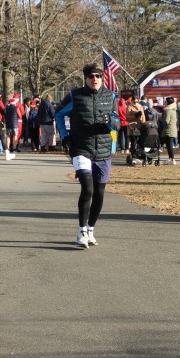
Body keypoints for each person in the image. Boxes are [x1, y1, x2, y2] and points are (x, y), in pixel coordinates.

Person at [56, 63, 119, 248]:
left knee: (99, 193)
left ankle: (91, 229)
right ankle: (82, 231)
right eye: (91, 76)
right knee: (88, 189)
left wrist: (110, 121)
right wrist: (65, 136)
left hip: (104, 150)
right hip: (81, 148)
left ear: (102, 78)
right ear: (85, 78)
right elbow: (58, 114)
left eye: (98, 76)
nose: (95, 79)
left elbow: (117, 123)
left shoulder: (110, 96)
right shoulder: (75, 96)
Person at [160, 96, 178, 165]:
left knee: (169, 145)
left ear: (167, 102)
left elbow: (166, 121)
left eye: (165, 101)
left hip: (168, 129)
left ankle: (172, 159)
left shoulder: (167, 110)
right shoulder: (173, 109)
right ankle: (170, 159)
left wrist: (160, 118)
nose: (164, 102)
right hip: (172, 128)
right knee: (168, 145)